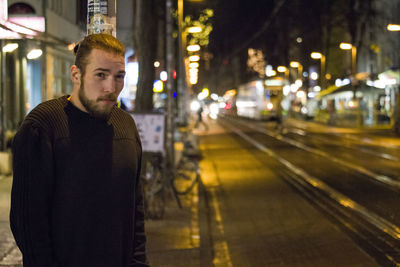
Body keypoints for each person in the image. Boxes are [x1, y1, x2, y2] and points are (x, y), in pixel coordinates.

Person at [10, 34, 148, 267]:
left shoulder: (126, 125)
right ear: (76, 74)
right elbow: (29, 225)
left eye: (119, 76)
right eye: (101, 75)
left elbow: (135, 212)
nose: (111, 87)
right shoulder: (43, 125)